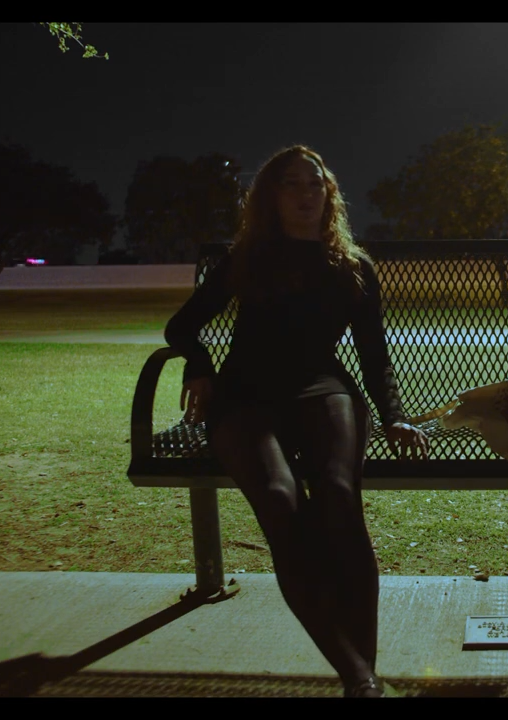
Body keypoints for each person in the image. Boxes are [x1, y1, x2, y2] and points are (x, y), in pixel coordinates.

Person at [164, 145, 428, 698]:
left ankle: (362, 675)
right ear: (271, 196)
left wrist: (395, 417)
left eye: (315, 184)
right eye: (292, 184)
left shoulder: (352, 266)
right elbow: (182, 326)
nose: (306, 195)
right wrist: (200, 365)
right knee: (281, 502)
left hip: (322, 390)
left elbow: (374, 354)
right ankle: (360, 677)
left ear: (329, 194)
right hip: (246, 397)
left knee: (337, 494)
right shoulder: (248, 257)